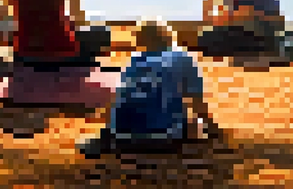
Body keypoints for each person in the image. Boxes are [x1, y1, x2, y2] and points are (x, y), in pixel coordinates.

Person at [77, 19, 221, 158]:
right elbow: (197, 102)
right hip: (164, 136)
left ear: (140, 41)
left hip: (121, 135)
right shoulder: (183, 57)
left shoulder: (133, 61)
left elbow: (119, 97)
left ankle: (107, 137)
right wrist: (213, 128)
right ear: (169, 36)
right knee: (196, 124)